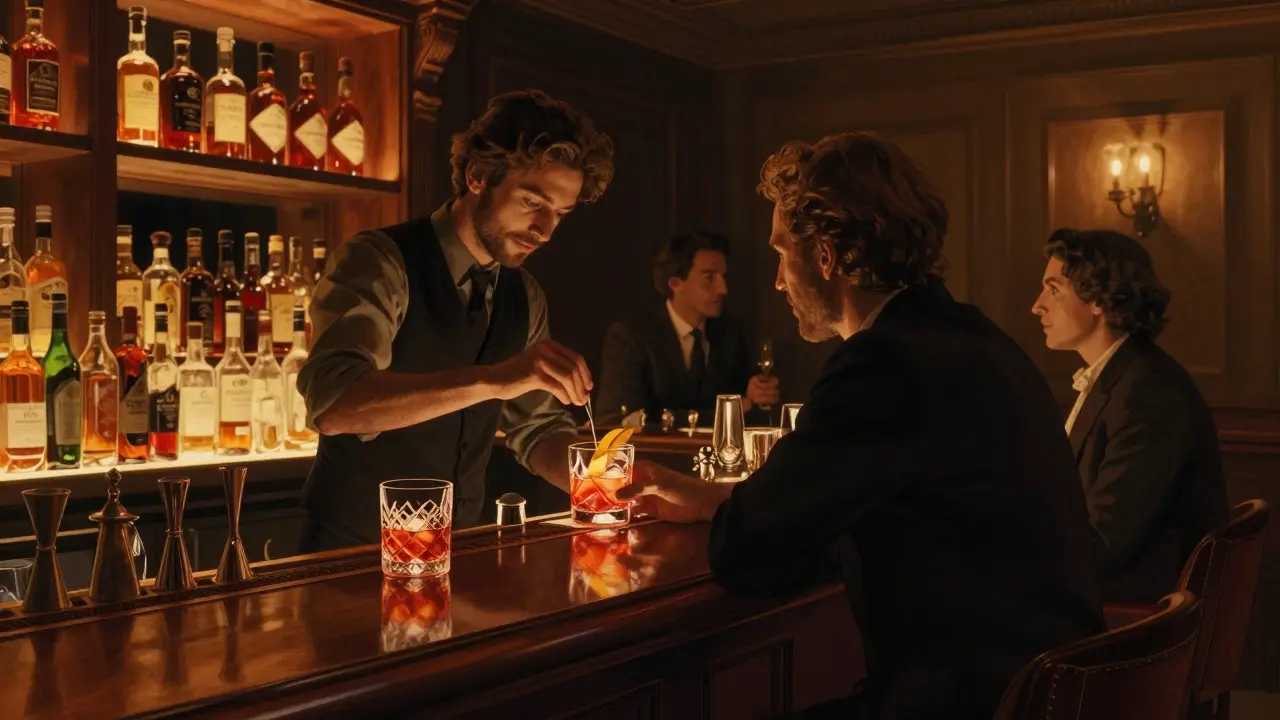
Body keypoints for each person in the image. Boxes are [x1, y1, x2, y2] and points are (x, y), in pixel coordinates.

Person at [618, 132, 1105, 719]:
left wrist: (731, 511)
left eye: (780, 253)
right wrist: (715, 496)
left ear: (825, 255)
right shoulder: (970, 336)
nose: (777, 281)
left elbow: (748, 552)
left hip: (975, 703)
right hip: (1047, 691)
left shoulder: (882, 362)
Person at [297, 90, 615, 548]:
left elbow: (539, 429)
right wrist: (494, 381)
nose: (545, 232)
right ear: (479, 175)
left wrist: (608, 481)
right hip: (349, 551)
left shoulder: (525, 294)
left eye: (560, 214)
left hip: (457, 549)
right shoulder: (380, 261)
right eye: (532, 203)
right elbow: (335, 404)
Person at [1031, 228, 1228, 603]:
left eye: (1053, 289)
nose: (1037, 305)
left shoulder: (1148, 392)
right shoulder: (1120, 379)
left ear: (1097, 299)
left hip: (1135, 618)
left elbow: (1104, 542)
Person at [595, 231, 779, 427]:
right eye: (710, 277)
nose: (723, 288)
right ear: (675, 282)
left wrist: (759, 396)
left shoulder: (730, 334)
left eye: (723, 277)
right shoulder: (631, 336)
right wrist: (731, 410)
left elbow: (746, 414)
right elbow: (620, 421)